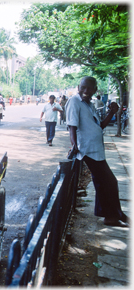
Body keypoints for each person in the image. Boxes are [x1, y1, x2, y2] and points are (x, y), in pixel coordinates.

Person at [66, 76, 129, 227]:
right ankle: (115, 214)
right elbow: (72, 126)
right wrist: (74, 144)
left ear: (95, 90)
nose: (86, 91)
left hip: (96, 149)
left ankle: (110, 216)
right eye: (83, 87)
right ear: (78, 87)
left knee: (102, 182)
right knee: (110, 181)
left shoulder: (89, 104)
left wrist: (112, 112)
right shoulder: (74, 101)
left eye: (90, 88)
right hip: (87, 149)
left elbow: (99, 126)